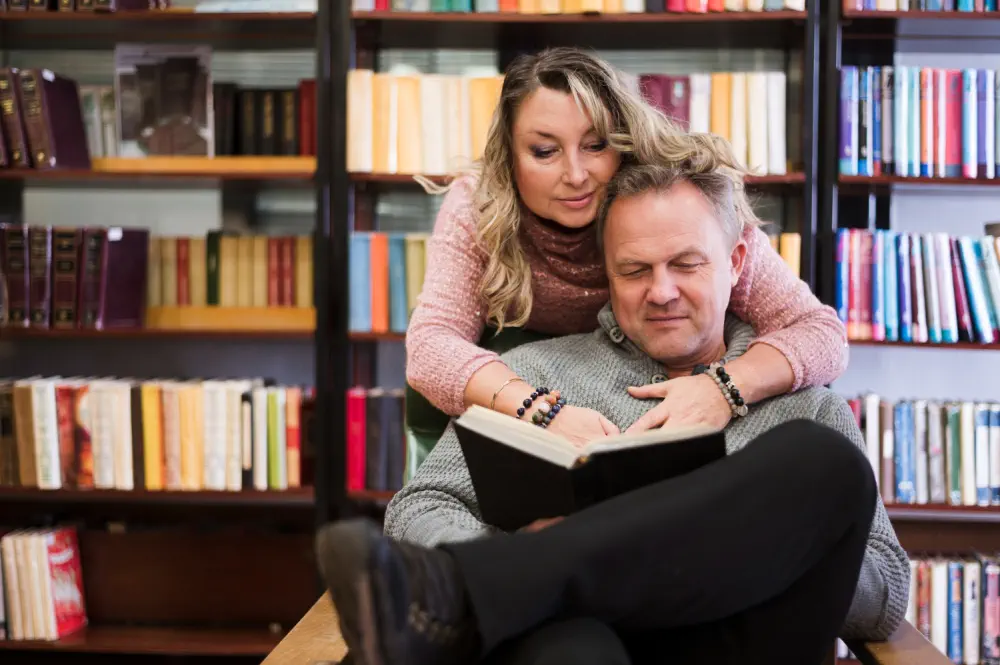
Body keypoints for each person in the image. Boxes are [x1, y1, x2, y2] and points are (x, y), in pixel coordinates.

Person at [316, 159, 910, 665]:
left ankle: (482, 588)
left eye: (685, 264)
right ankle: (503, 584)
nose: (661, 292)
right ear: (607, 274)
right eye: (634, 270)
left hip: (737, 643)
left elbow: (885, 594)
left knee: (823, 462)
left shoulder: (805, 398)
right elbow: (420, 506)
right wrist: (522, 542)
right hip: (586, 649)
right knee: (571, 645)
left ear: (733, 262)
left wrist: (731, 548)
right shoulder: (537, 376)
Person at [405, 47, 849, 447]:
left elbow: (820, 334)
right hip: (544, 385)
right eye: (544, 151)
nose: (576, 174)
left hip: (669, 380)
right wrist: (540, 412)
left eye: (596, 145)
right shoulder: (479, 206)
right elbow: (430, 348)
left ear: (624, 141)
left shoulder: (680, 200)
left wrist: (724, 388)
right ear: (510, 157)